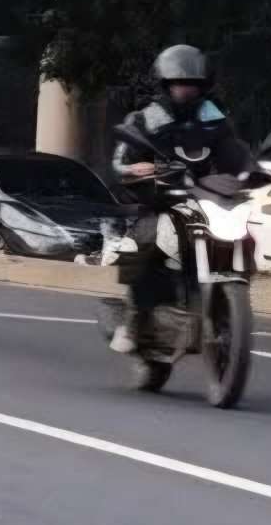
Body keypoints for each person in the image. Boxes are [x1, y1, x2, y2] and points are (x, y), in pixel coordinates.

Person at [108, 44, 252, 353]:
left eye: (192, 84)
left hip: (204, 199)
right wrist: (134, 168)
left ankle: (229, 300)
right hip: (162, 200)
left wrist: (249, 173)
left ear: (203, 86)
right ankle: (135, 317)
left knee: (242, 233)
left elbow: (235, 152)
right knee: (146, 239)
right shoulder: (145, 118)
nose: (186, 90)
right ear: (165, 84)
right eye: (179, 83)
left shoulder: (215, 120)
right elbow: (121, 160)